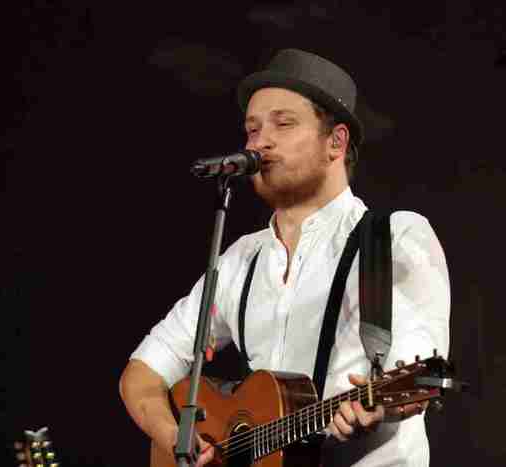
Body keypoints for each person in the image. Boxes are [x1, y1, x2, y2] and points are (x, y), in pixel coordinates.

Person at [119, 48, 450, 467]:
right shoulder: (242, 259)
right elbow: (142, 374)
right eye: (252, 129)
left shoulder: (394, 237)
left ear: (336, 142)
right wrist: (174, 438)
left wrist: (382, 405)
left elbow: (421, 374)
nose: (261, 142)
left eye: (283, 123)